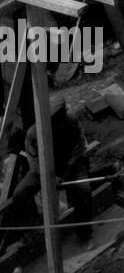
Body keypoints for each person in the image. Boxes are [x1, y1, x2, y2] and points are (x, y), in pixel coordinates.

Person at [0, 96, 93, 250]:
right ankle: (35, 226)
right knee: (21, 192)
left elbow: (79, 147)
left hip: (70, 164)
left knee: (84, 190)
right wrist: (49, 177)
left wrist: (66, 171)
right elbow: (34, 161)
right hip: (43, 170)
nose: (60, 122)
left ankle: (84, 234)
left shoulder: (71, 121)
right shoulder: (33, 133)